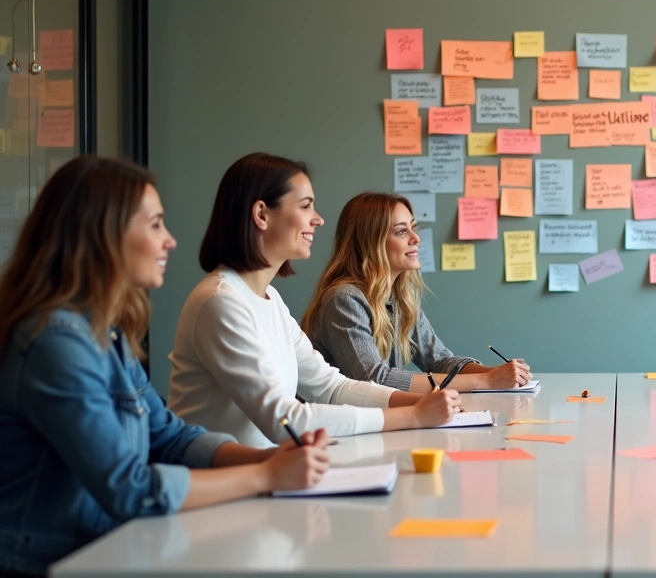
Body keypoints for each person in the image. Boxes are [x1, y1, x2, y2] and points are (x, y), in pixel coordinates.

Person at [0, 157, 329, 576]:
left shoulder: (104, 331)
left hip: (105, 549)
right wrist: (264, 476)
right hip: (51, 561)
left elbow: (168, 437)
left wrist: (264, 461)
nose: (170, 240)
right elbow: (130, 488)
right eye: (155, 224)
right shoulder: (55, 342)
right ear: (105, 233)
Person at [168, 153, 459, 448]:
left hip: (274, 474)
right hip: (227, 483)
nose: (318, 219)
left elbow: (331, 386)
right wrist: (412, 415)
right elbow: (286, 421)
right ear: (262, 215)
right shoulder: (220, 302)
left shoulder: (271, 301)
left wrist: (421, 401)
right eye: (306, 206)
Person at [302, 193, 530, 392]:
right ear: (370, 243)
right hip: (334, 432)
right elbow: (373, 379)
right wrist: (484, 381)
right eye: (401, 231)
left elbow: (439, 361)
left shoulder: (400, 298)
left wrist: (496, 372)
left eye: (414, 227)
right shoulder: (344, 299)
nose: (416, 238)